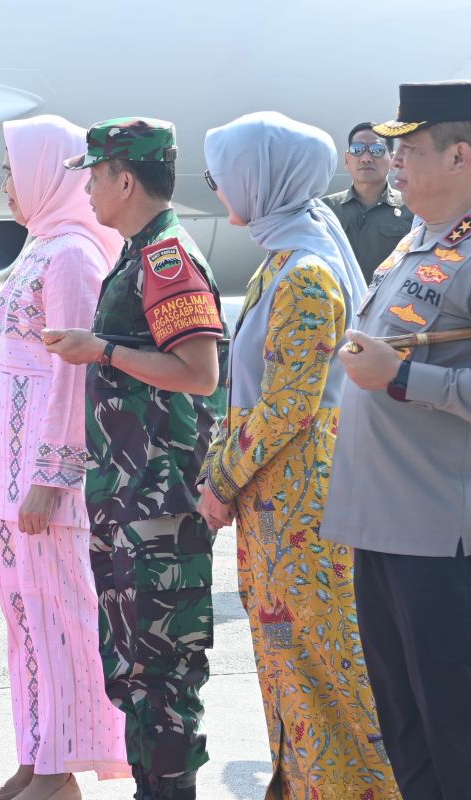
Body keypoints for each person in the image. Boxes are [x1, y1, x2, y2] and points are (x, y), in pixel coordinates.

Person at [198, 112, 399, 799]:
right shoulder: (281, 258)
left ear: (262, 179)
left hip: (306, 508)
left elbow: (289, 402)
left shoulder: (305, 271)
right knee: (290, 663)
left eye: (222, 174)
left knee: (327, 667)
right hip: (275, 503)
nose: (216, 187)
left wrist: (220, 478)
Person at [44, 118, 226, 800]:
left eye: (94, 175)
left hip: (161, 509)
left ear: (126, 179)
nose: (87, 188)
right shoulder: (137, 254)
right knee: (135, 672)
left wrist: (103, 351)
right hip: (131, 504)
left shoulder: (166, 259)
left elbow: (200, 371)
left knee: (164, 677)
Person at [0, 115, 128, 800]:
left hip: (48, 487)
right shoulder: (39, 248)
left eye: (11, 170)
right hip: (13, 479)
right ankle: (35, 759)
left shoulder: (72, 257)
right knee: (24, 622)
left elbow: (75, 376)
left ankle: (60, 775)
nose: (4, 185)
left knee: (60, 625)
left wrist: (50, 478)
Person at [322, 80, 471, 800]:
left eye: (409, 149)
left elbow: (410, 375)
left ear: (460, 155)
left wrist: (405, 378)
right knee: (404, 726)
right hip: (380, 526)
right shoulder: (415, 241)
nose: (393, 160)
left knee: (454, 728)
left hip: (441, 536)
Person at [322, 122, 415, 281]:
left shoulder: (412, 209)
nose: (366, 158)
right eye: (357, 150)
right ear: (347, 159)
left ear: (392, 159)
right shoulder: (326, 210)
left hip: (389, 304)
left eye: (377, 150)